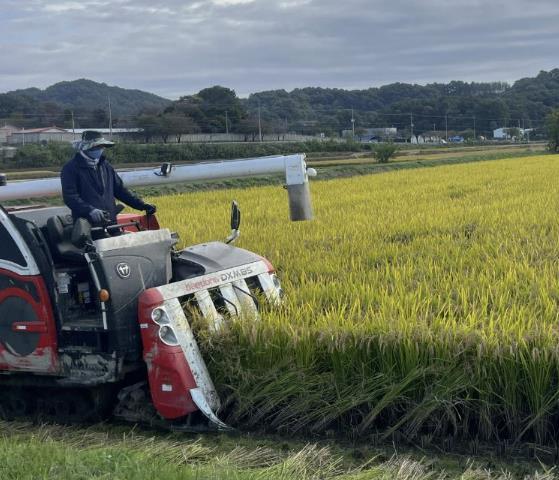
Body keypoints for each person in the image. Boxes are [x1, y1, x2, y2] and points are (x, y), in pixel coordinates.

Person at [61, 130, 156, 225]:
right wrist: (90, 210)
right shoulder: (71, 168)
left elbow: (120, 190)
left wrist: (142, 205)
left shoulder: (105, 166)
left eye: (102, 146)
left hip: (111, 221)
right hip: (87, 225)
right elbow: (70, 197)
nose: (100, 149)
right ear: (87, 147)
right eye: (98, 146)